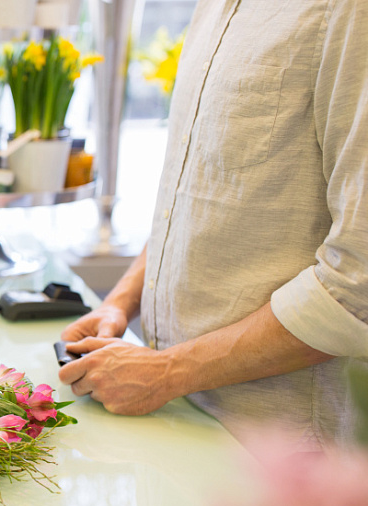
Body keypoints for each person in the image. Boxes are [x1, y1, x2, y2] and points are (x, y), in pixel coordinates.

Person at [59, 0, 368, 449]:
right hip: (174, 412)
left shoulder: (349, 12)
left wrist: (167, 372)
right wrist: (121, 302)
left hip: (279, 450)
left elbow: (356, 283)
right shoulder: (215, 7)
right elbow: (196, 202)